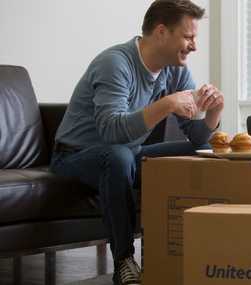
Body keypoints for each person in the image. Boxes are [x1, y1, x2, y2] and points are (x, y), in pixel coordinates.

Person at [49, 1, 223, 284]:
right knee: (118, 156)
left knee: (207, 150)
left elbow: (196, 138)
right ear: (162, 32)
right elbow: (111, 131)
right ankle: (124, 260)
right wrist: (167, 104)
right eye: (188, 37)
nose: (194, 46)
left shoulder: (176, 70)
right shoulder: (115, 63)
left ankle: (191, 251)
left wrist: (213, 113)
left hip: (128, 152)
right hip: (74, 156)